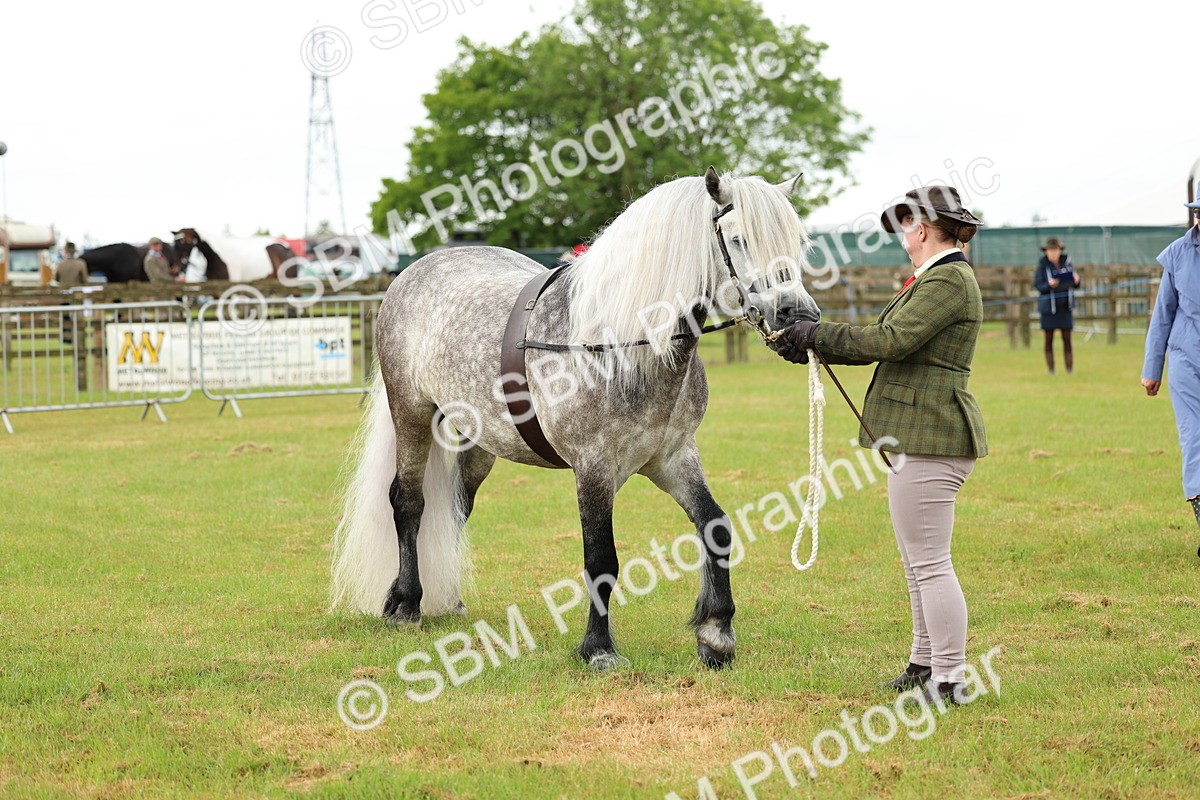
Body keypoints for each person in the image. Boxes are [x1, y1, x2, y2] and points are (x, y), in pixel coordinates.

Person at [773, 185, 988, 706]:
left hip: (931, 433)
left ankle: (951, 679)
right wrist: (810, 343)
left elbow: (887, 341)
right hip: (919, 433)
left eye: (905, 227)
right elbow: (887, 342)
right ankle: (923, 662)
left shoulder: (949, 280)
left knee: (931, 562)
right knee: (918, 560)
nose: (902, 238)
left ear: (921, 228)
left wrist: (816, 335)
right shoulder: (938, 277)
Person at [1141, 201, 1200, 557]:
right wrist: (1153, 368)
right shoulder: (1178, 253)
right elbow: (1163, 313)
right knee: (1194, 435)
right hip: (1185, 357)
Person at [1033, 237, 1081, 374]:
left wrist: (1076, 281)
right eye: (1050, 250)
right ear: (1046, 252)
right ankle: (1051, 369)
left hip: (1065, 307)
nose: (1053, 253)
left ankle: (1069, 369)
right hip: (1049, 309)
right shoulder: (1042, 266)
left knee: (1067, 339)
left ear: (1060, 251)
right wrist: (1049, 285)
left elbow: (1073, 284)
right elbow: (1038, 285)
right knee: (1049, 339)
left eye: (1056, 250)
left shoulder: (1067, 263)